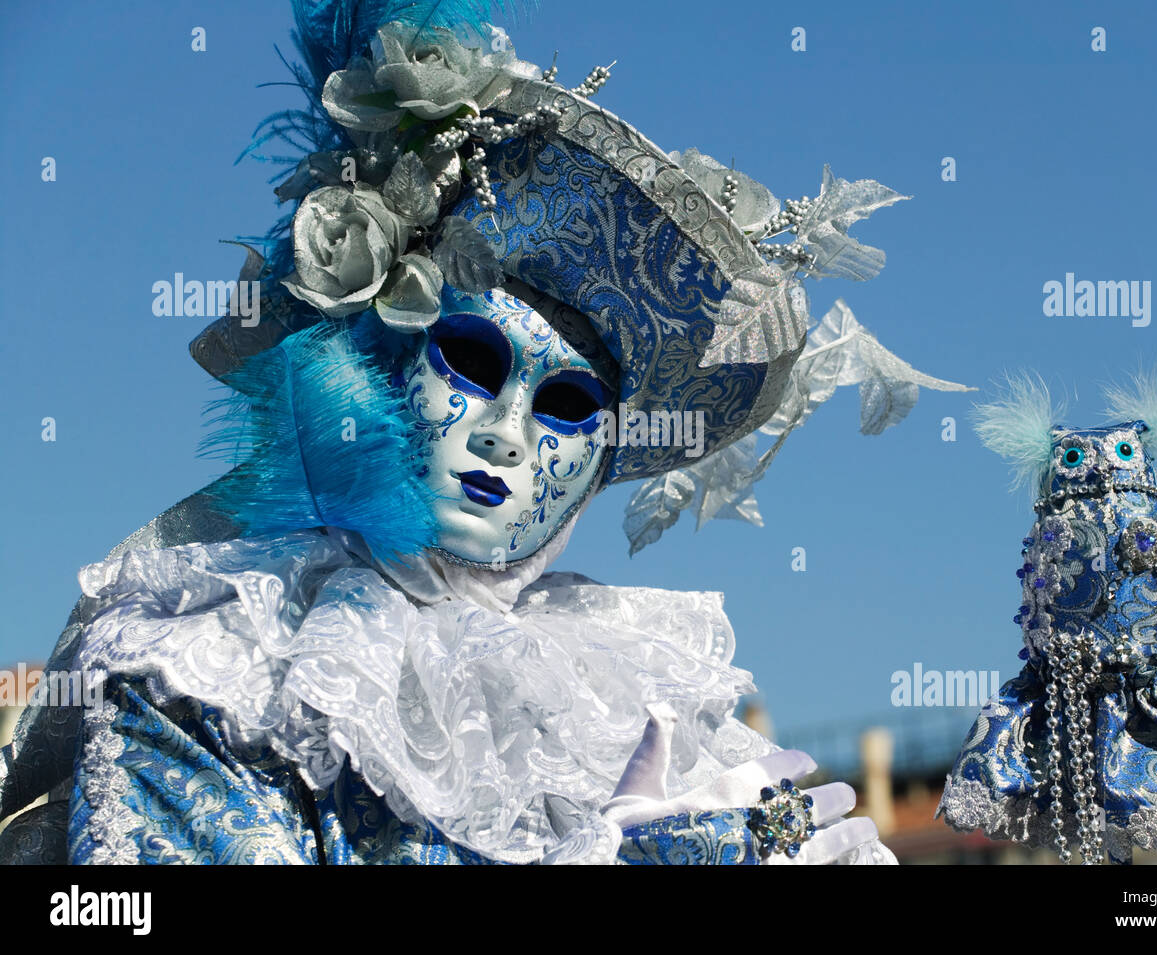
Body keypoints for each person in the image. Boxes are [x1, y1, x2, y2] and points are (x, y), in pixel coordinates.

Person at [0, 0, 968, 864]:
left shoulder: (639, 706)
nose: (508, 436)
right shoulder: (215, 672)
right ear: (381, 365)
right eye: (472, 360)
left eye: (567, 406)